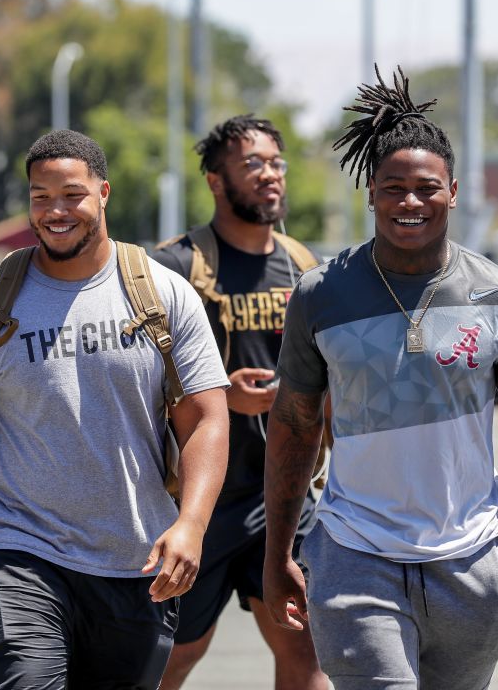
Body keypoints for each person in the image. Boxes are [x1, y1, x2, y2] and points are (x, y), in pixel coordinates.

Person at [0, 129, 231, 689]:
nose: (55, 211)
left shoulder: (164, 296)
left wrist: (191, 525)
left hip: (135, 564)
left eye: (71, 194)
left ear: (103, 193)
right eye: (40, 197)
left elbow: (205, 418)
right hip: (17, 553)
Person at [261, 66, 498, 689]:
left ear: (452, 191)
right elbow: (292, 426)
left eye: (426, 187)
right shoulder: (321, 296)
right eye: (392, 187)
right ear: (370, 193)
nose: (410, 202)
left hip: (474, 565)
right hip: (353, 555)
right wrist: (279, 553)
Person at [152, 115, 327, 689]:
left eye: (276, 163)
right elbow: (131, 379)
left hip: (283, 495)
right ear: (215, 181)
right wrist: (222, 396)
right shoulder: (173, 268)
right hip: (197, 505)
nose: (270, 175)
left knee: (306, 654)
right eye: (252, 164)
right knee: (170, 661)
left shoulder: (305, 269)